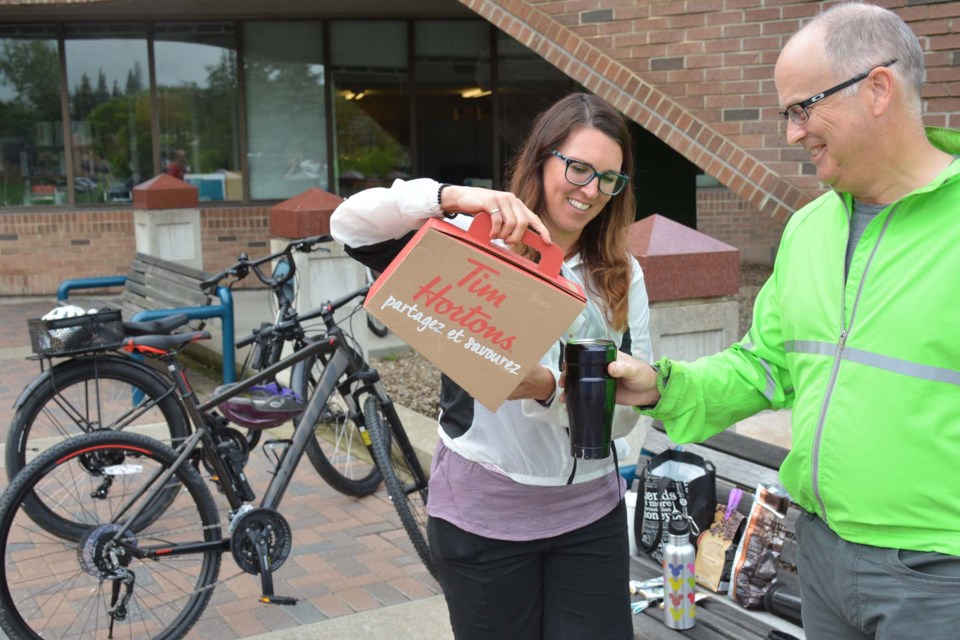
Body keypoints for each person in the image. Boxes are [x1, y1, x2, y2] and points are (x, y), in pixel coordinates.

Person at [605, 3, 960, 639]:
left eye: (803, 107)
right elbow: (765, 364)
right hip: (819, 554)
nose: (792, 134)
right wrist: (665, 386)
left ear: (878, 88)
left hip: (939, 575)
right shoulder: (808, 228)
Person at [331, 93, 652, 640]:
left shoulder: (622, 275)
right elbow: (351, 225)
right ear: (541, 159)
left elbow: (634, 408)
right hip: (485, 517)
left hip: (589, 516)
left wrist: (548, 387)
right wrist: (453, 197)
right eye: (577, 168)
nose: (590, 190)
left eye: (609, 179)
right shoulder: (469, 241)